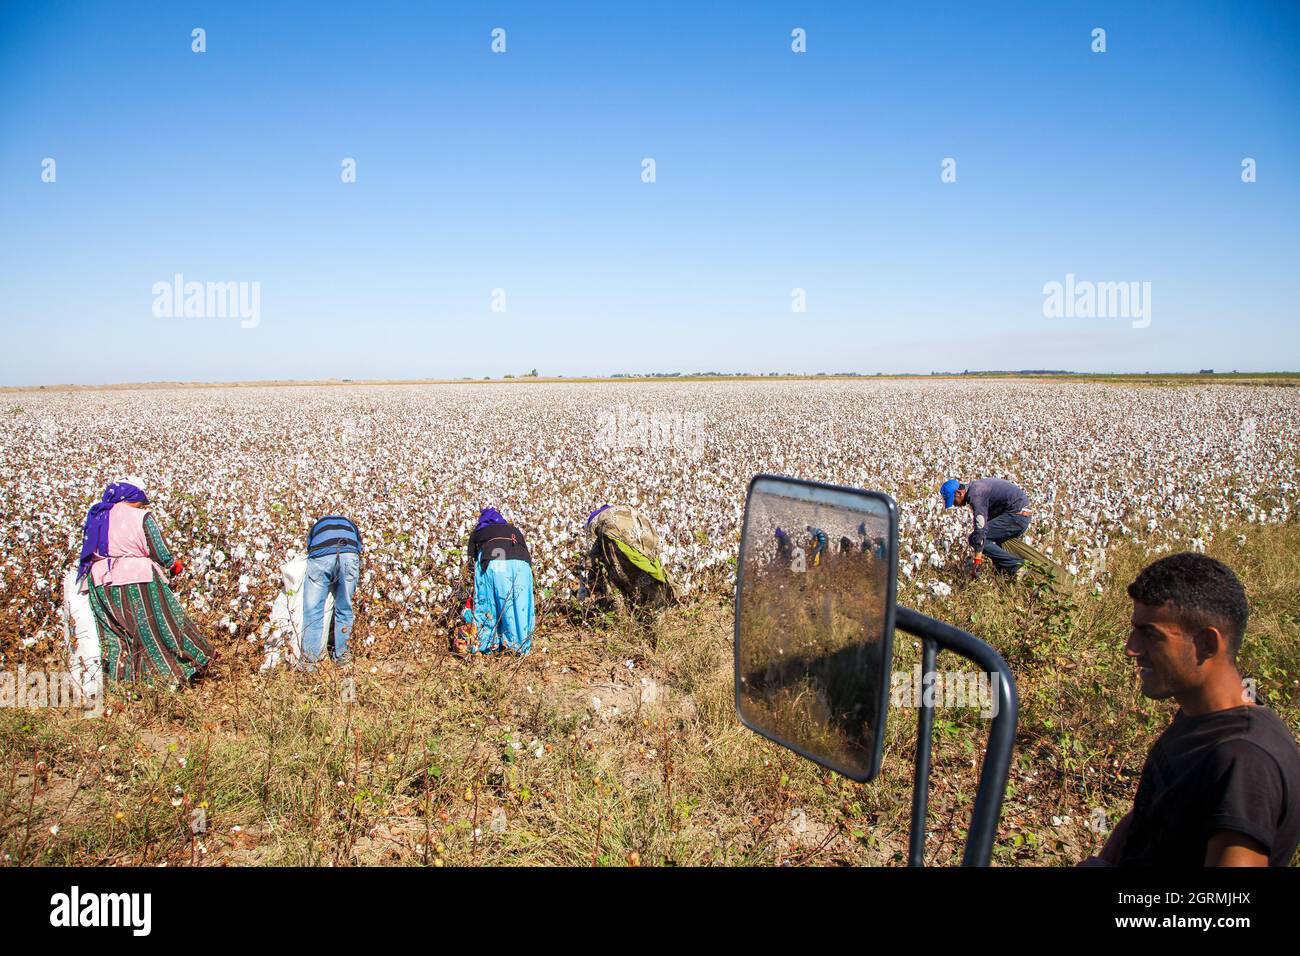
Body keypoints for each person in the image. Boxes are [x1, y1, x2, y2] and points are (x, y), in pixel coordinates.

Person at [1084, 553, 1300, 867]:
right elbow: (1151, 814)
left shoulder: (1245, 761)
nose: (1131, 648)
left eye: (1151, 635)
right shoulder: (1199, 716)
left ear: (1207, 644)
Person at [77, 477, 214, 684]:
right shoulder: (141, 516)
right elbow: (158, 549)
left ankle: (121, 684)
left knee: (115, 636)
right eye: (141, 501)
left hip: (98, 583)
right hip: (137, 579)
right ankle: (172, 674)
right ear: (133, 497)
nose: (143, 505)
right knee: (157, 626)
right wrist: (172, 565)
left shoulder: (96, 515)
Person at [457, 507, 535, 655]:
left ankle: (487, 642)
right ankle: (520, 646)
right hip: (523, 567)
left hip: (496, 564)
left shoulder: (479, 532)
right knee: (519, 604)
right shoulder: (514, 529)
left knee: (491, 602)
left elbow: (473, 565)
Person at [586, 504, 679, 608]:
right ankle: (662, 601)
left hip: (615, 532)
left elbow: (592, 558)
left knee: (620, 574)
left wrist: (590, 587)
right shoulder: (624, 509)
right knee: (647, 566)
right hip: (642, 527)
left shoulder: (593, 520)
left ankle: (626, 608)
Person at [302, 514, 362, 666]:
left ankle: (309, 662)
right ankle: (342, 658)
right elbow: (359, 548)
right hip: (349, 554)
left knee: (313, 610)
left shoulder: (318, 525)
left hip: (321, 555)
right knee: (345, 608)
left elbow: (310, 548)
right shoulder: (350, 525)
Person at [941, 477, 1031, 576]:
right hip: (1019, 514)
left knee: (975, 538)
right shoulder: (976, 488)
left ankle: (1017, 566)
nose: (954, 504)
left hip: (1017, 516)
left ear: (959, 493)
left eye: (953, 500)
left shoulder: (976, 494)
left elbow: (981, 528)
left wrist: (977, 561)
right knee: (989, 538)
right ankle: (1004, 572)